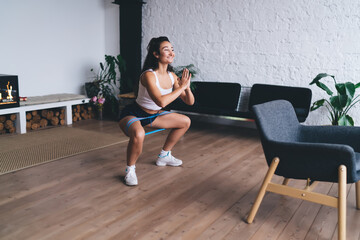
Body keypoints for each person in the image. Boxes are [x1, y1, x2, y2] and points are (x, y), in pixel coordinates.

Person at [119, 36, 195, 186]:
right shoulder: (148, 75)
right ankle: (130, 170)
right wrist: (180, 87)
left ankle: (164, 155)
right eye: (166, 49)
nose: (171, 53)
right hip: (134, 114)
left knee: (185, 121)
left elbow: (190, 102)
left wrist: (186, 87)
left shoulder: (172, 76)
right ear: (156, 54)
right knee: (139, 134)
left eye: (172, 50)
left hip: (153, 116)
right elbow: (160, 101)